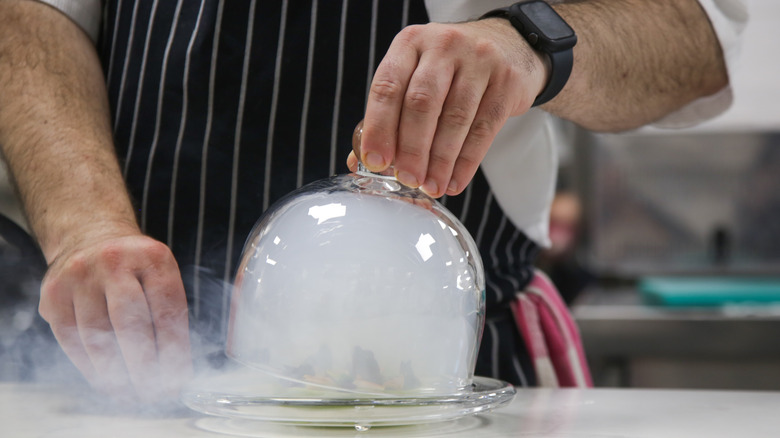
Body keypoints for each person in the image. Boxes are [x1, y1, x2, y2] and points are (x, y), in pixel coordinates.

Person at [0, 0, 746, 400]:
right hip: (124, 356)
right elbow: (28, 12)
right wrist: (86, 224)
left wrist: (531, 40)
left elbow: (699, 35)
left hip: (455, 367)